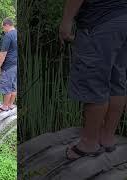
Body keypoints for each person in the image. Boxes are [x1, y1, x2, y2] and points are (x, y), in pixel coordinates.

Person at [59, 0, 127, 160]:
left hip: (100, 22)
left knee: (94, 83)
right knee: (117, 80)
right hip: (124, 18)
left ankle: (89, 144)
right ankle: (107, 138)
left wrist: (66, 22)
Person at [0, 18, 17, 112]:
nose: (3, 29)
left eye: (3, 27)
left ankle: (4, 107)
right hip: (16, 65)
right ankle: (10, 105)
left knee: (6, 86)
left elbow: (3, 53)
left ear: (7, 25)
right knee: (13, 85)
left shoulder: (8, 36)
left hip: (8, 66)